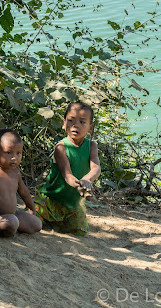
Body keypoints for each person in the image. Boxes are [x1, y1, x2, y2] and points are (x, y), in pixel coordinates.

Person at [34, 101, 101, 236]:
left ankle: (59, 222)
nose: (76, 125)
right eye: (71, 120)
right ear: (64, 124)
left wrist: (87, 179)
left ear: (90, 127)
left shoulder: (92, 146)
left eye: (82, 122)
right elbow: (67, 175)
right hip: (49, 200)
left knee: (80, 232)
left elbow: (96, 168)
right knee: (31, 222)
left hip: (72, 204)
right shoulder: (61, 147)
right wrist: (78, 185)